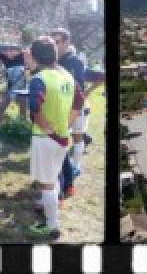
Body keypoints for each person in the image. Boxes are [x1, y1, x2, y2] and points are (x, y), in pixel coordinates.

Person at [26, 36, 76, 241]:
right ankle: (52, 217)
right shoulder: (66, 75)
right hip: (63, 138)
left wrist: (48, 130)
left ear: (36, 56)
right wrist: (66, 125)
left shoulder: (39, 79)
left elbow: (35, 111)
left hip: (46, 139)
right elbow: (79, 103)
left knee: (46, 184)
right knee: (53, 178)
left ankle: (52, 226)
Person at [52, 28, 89, 198]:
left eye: (58, 42)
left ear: (67, 43)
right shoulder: (51, 61)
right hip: (58, 108)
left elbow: (79, 87)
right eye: (53, 42)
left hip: (74, 107)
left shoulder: (75, 62)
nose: (55, 46)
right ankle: (64, 178)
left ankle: (75, 167)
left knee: (77, 136)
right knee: (59, 142)